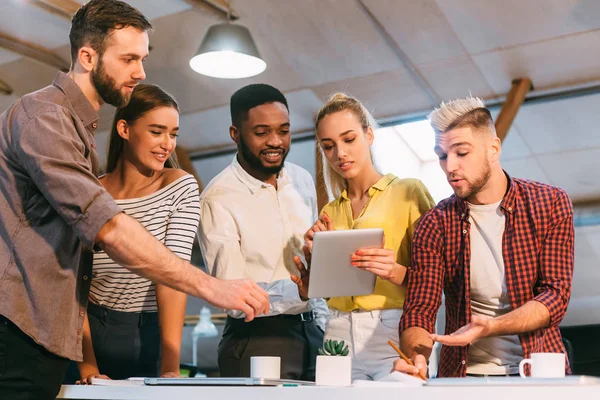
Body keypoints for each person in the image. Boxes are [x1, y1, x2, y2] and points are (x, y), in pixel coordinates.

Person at [0, 1, 268, 398]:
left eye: (142, 58)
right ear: (87, 57)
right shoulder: (46, 118)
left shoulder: (75, 128)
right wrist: (213, 287)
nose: (140, 72)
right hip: (17, 333)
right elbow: (106, 227)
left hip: (41, 335)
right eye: (128, 59)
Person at [393, 97, 574, 378]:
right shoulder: (435, 223)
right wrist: (417, 357)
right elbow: (420, 308)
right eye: (442, 155)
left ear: (493, 148)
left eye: (461, 153)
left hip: (538, 372)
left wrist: (492, 326)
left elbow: (554, 297)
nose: (449, 166)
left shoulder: (550, 204)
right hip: (464, 378)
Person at [291, 93, 434, 381]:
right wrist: (312, 280)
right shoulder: (330, 211)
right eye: (328, 146)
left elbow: (436, 279)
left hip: (393, 331)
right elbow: (334, 293)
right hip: (337, 335)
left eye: (348, 139)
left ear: (368, 135)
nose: (339, 154)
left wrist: (394, 271)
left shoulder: (409, 191)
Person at [65, 84, 197, 383]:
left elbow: (174, 276)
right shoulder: (91, 192)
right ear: (124, 129)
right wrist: (88, 366)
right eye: (156, 131)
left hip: (151, 333)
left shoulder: (180, 186)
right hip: (86, 335)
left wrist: (170, 368)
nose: (167, 144)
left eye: (173, 134)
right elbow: (73, 285)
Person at [198, 84, 328, 380]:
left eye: (283, 131)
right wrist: (300, 291)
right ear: (235, 134)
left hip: (313, 333)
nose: (275, 142)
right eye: (261, 133)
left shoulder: (301, 179)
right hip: (257, 338)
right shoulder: (218, 198)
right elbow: (231, 295)